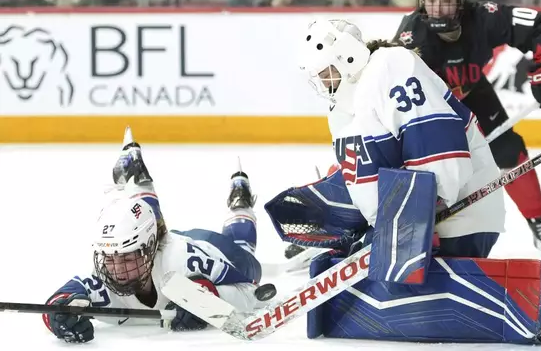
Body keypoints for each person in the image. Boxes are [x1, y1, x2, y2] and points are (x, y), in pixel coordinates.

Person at [392, 0, 541, 266]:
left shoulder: (483, 18)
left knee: (509, 150)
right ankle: (372, 225)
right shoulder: (412, 37)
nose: (437, 8)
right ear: (421, 0)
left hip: (472, 93)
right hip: (432, 108)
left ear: (461, 0)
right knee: (420, 166)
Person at [41, 128, 275, 343]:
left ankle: (240, 204)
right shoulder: (106, 276)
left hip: (215, 246)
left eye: (126, 258)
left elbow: (250, 292)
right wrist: (58, 318)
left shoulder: (183, 260)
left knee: (247, 259)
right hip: (156, 244)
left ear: (149, 250)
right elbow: (58, 300)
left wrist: (207, 296)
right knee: (143, 224)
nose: (117, 269)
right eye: (110, 258)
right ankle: (135, 170)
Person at [296, 18, 506, 259]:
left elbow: (438, 149)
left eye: (326, 73)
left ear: (347, 56)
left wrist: (415, 219)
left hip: (459, 221)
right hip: (409, 227)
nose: (323, 84)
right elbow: (365, 178)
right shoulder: (344, 108)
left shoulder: (391, 66)